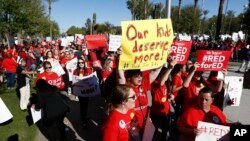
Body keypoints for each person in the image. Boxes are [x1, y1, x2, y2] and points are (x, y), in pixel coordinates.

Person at [150, 61, 176, 141]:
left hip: (165, 112)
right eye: (165, 74)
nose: (167, 76)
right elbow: (161, 82)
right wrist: (170, 68)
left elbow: (165, 94)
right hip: (156, 112)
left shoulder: (166, 84)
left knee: (165, 132)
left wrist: (171, 96)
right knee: (153, 133)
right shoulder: (155, 83)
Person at [73, 57, 93, 126]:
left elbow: (92, 80)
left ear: (84, 63)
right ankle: (83, 121)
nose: (81, 64)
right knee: (82, 106)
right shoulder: (75, 71)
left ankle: (85, 117)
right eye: (79, 63)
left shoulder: (88, 70)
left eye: (82, 62)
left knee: (86, 105)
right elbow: (74, 82)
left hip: (87, 91)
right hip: (80, 92)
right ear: (78, 64)